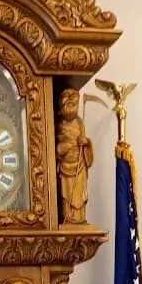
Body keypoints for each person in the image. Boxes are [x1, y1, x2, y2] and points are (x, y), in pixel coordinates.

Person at [56, 88, 93, 224]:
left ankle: (79, 218)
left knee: (79, 194)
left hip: (79, 165)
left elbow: (86, 145)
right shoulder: (57, 123)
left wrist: (86, 142)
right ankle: (68, 217)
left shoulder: (80, 122)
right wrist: (60, 149)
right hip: (65, 167)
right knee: (66, 194)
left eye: (74, 103)